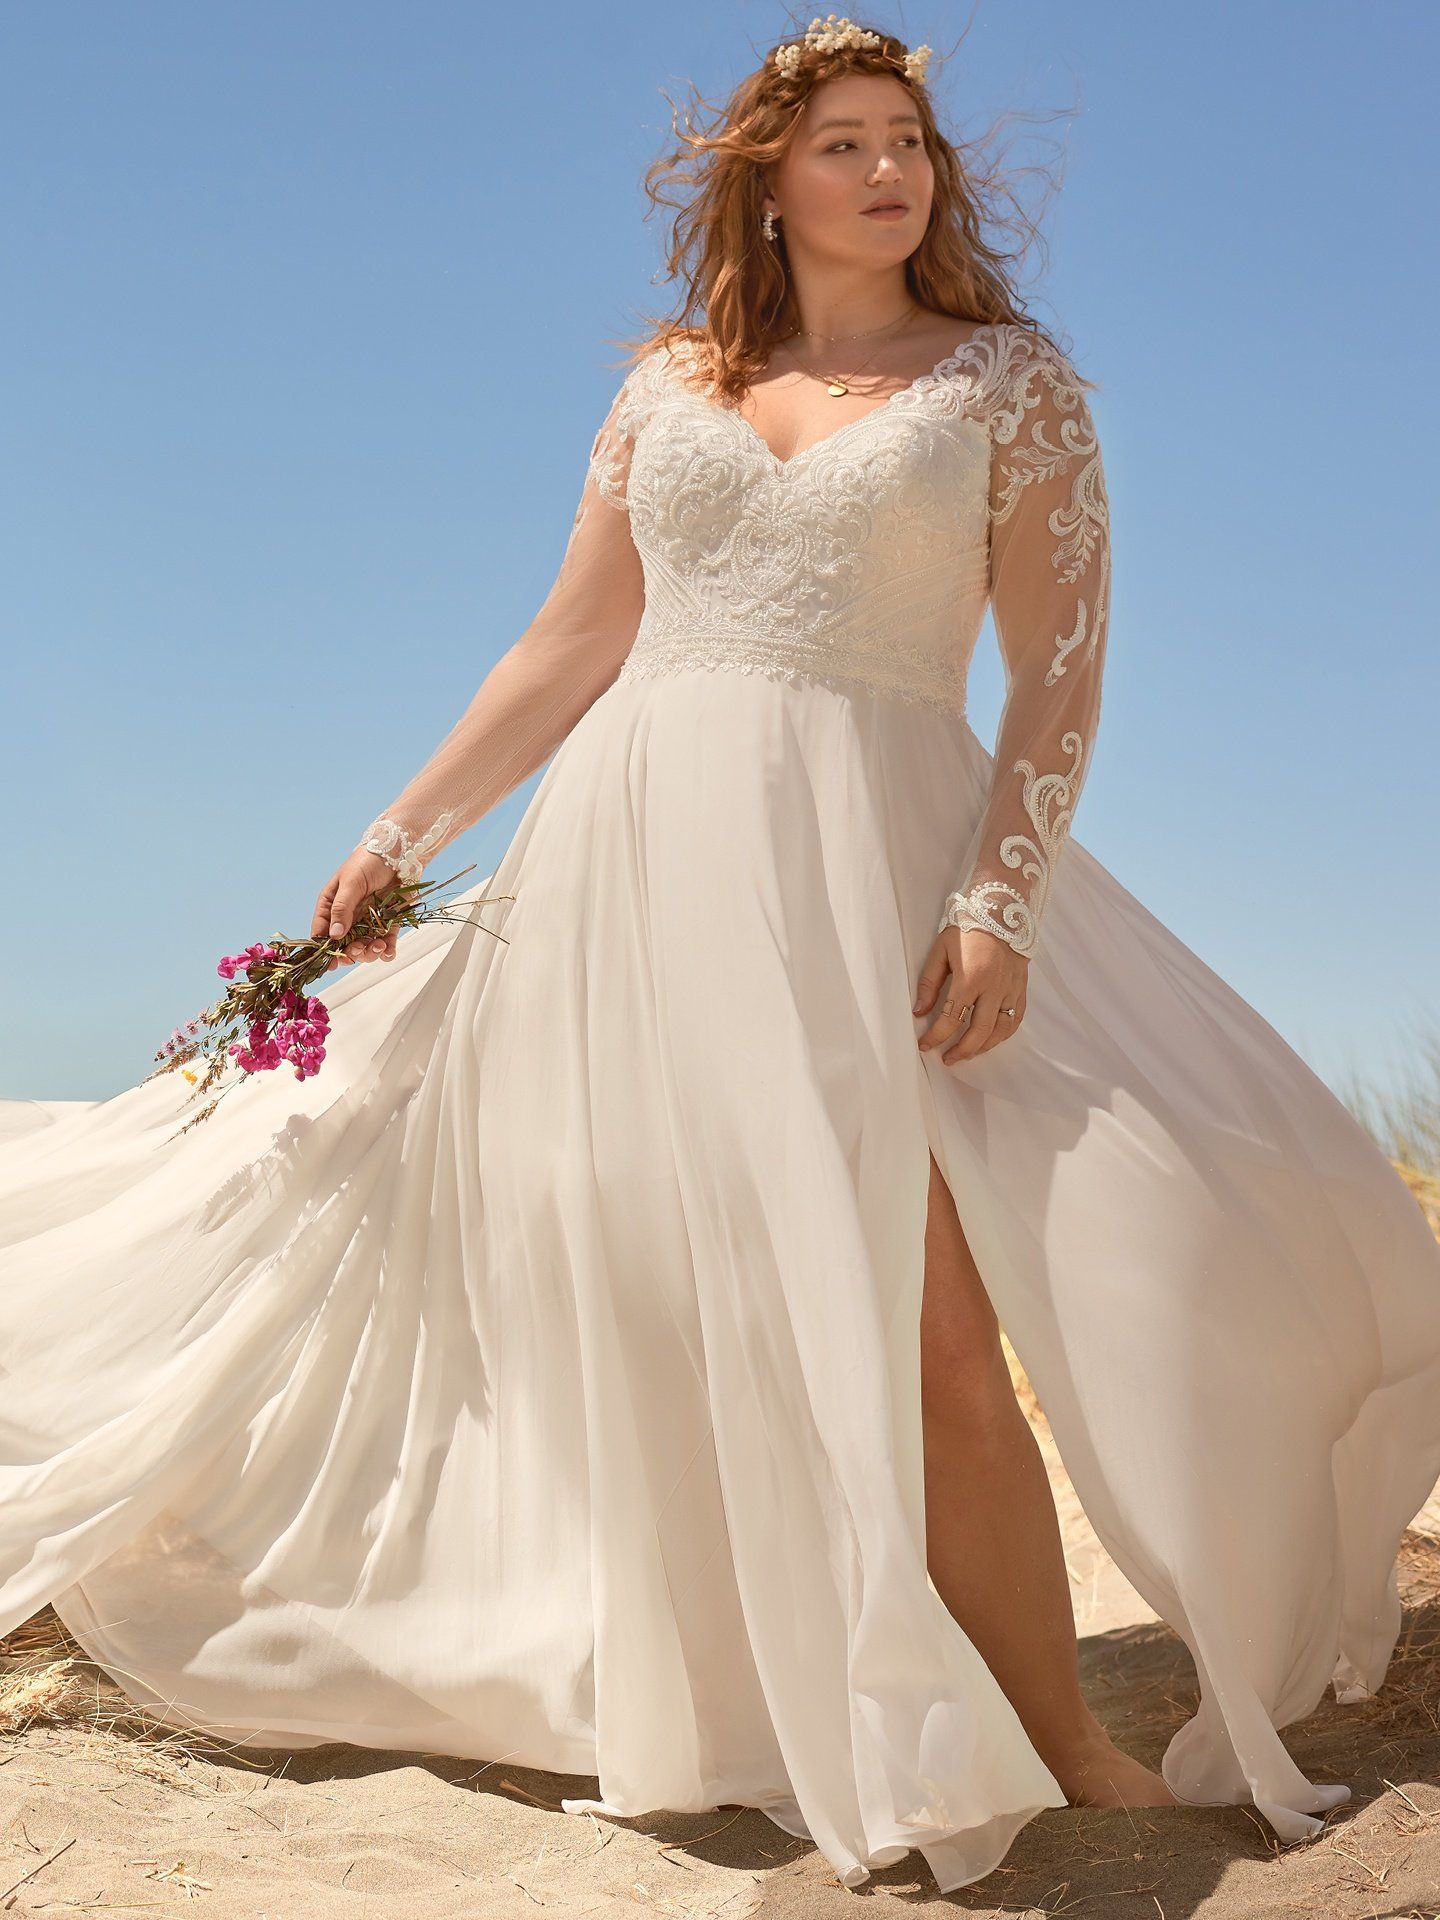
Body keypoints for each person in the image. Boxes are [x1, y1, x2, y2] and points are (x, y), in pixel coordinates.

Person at [2, 16, 1439, 1900]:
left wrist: (1000, 897)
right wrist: (397, 832)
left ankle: (1066, 1737)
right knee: (664, 1296)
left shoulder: (1009, 383)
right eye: (844, 144)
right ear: (770, 177)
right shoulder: (670, 385)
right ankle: (767, 1693)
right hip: (634, 869)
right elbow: (566, 641)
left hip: (874, 866)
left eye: (909, 143)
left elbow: (1057, 675)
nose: (888, 173)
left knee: (936, 1322)